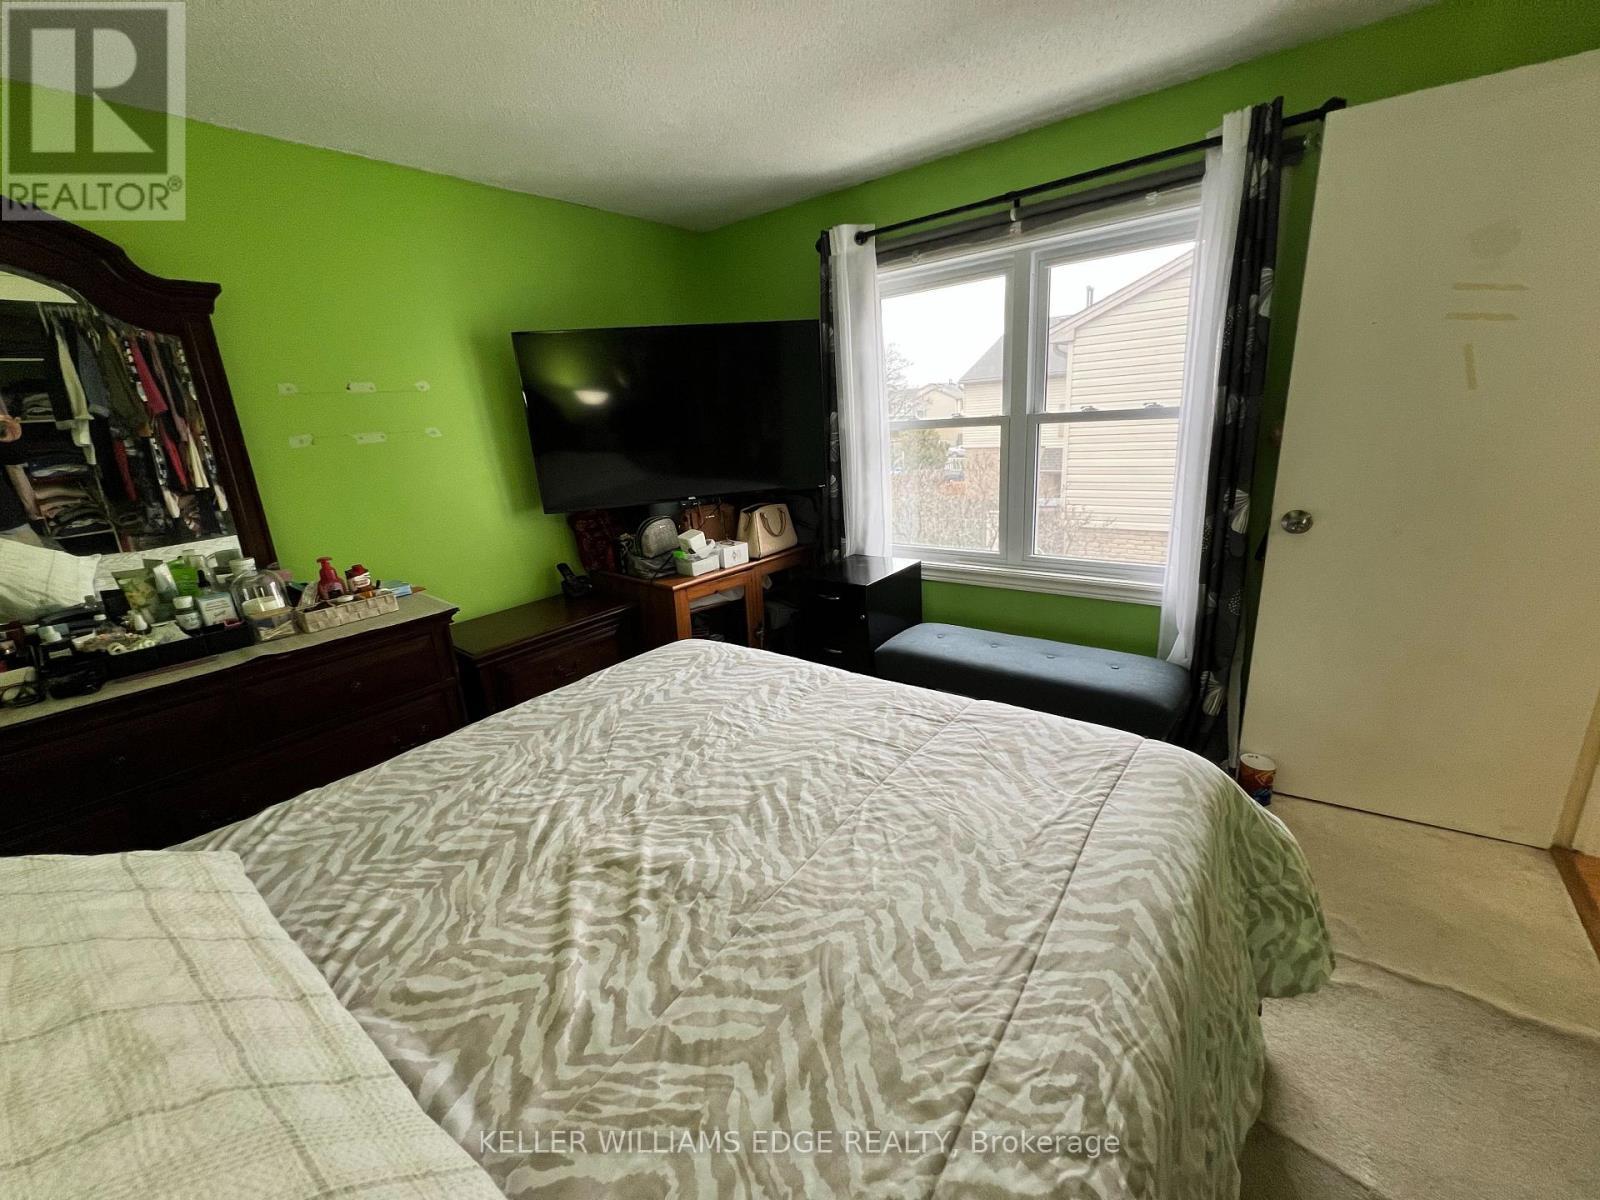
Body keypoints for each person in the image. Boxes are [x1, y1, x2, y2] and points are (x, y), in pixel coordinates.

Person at [0, 413, 73, 545]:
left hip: (8, 521)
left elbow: (12, 459)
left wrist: (13, 439)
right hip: (9, 521)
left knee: (35, 563)